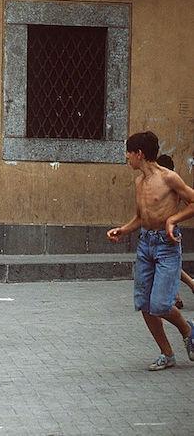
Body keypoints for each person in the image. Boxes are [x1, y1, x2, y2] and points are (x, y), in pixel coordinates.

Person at [107, 132, 194, 371]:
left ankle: (188, 330)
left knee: (161, 304)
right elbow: (140, 217)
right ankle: (167, 354)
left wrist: (173, 219)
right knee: (144, 304)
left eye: (128, 152)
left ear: (139, 154)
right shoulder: (139, 182)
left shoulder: (169, 178)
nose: (126, 157)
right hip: (145, 244)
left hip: (167, 246)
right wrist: (123, 230)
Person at [155, 154, 194, 309]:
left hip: (169, 232)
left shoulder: (173, 186)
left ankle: (177, 294)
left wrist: (173, 219)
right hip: (160, 232)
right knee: (169, 264)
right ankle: (184, 288)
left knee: (167, 264)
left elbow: (190, 202)